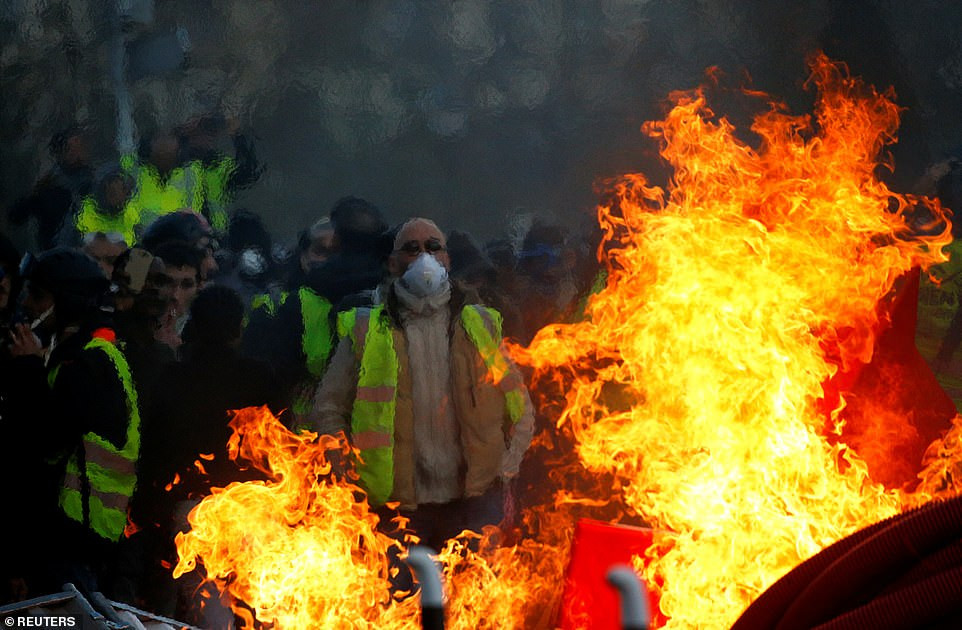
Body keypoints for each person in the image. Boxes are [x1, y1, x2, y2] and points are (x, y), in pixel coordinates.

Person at [309, 217, 535, 552]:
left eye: (433, 247)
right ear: (393, 263)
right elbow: (327, 408)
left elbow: (519, 404)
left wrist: (507, 464)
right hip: (397, 510)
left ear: (447, 259)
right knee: (402, 601)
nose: (424, 257)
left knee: (477, 599)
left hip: (471, 502)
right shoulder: (367, 329)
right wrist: (347, 470)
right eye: (411, 249)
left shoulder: (478, 324)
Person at [134, 284, 282, 621]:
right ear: (238, 329)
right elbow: (282, 447)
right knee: (259, 607)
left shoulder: (172, 378)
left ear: (194, 328)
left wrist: (148, 512)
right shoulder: (260, 377)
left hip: (193, 511)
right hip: (254, 508)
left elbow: (153, 452)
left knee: (208, 609)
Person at [3, 248, 139, 600]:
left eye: (38, 295)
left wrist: (27, 370)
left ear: (67, 301)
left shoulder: (91, 363)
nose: (28, 305)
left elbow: (45, 440)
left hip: (73, 546)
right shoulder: (72, 355)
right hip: (61, 542)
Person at [8, 126, 94, 250]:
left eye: (80, 146)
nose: (77, 152)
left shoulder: (96, 182)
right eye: (71, 148)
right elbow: (16, 216)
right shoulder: (49, 185)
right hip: (54, 255)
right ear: (60, 152)